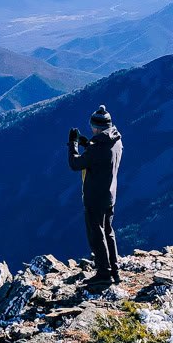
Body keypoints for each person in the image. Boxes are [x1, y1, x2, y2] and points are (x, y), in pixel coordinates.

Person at [68, 105, 123, 286]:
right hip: (109, 195)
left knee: (96, 234)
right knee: (108, 232)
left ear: (97, 127)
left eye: (92, 126)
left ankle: (103, 273)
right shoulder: (116, 140)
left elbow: (75, 164)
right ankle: (114, 269)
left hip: (95, 197)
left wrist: (73, 145)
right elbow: (100, 157)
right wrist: (87, 144)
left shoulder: (98, 148)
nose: (91, 129)